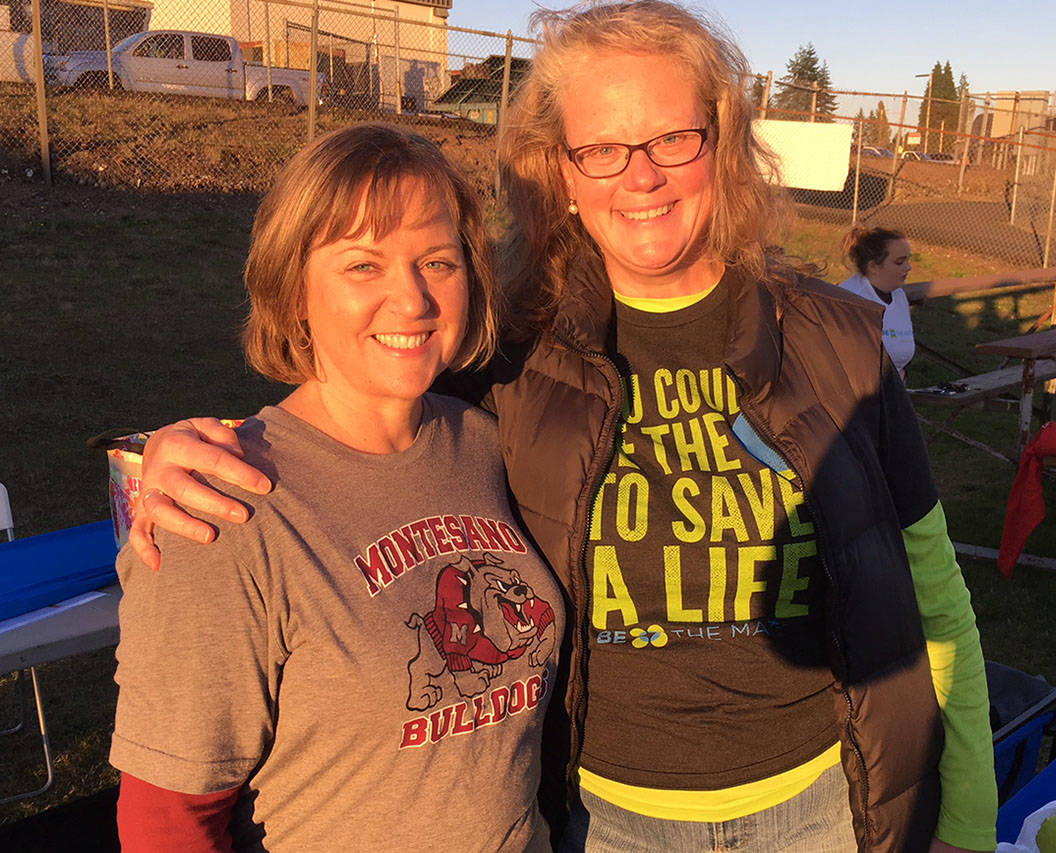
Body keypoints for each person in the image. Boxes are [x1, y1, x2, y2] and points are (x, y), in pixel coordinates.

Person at [128, 3, 996, 851]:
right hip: (598, 821)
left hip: (820, 809)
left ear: (721, 145)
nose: (641, 175)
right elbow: (355, 401)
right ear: (562, 173)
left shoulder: (838, 343)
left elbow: (936, 599)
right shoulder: (509, 360)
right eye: (604, 149)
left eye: (672, 139)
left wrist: (966, 823)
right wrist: (170, 456)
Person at [111, 123, 563, 852]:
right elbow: (167, 822)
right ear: (294, 291)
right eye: (363, 265)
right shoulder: (222, 509)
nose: (412, 298)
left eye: (438, 262)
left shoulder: (483, 443)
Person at [838, 226, 915, 377]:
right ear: (873, 266)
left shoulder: (898, 295)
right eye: (899, 262)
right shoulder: (851, 299)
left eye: (908, 260)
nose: (909, 267)